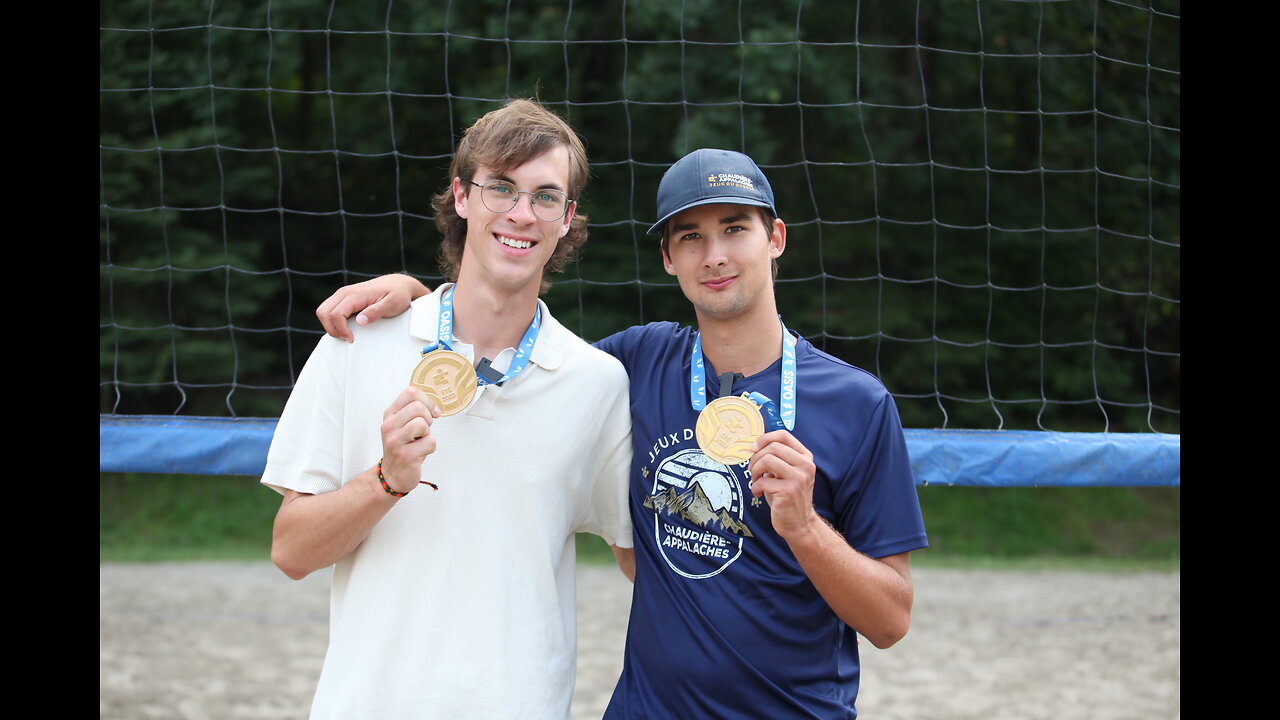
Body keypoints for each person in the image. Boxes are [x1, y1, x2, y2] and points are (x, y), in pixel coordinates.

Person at [317, 148, 928, 718]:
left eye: (735, 229)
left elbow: (890, 621)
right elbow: (517, 348)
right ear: (668, 258)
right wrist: (421, 299)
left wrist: (804, 529)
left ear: (776, 238)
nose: (714, 255)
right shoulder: (636, 365)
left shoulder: (859, 404)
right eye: (690, 237)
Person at [262, 98, 635, 720]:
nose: (522, 213)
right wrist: (385, 481)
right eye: (501, 188)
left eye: (545, 196)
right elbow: (290, 552)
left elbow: (646, 564)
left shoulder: (596, 384)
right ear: (462, 196)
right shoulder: (359, 340)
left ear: (567, 218)